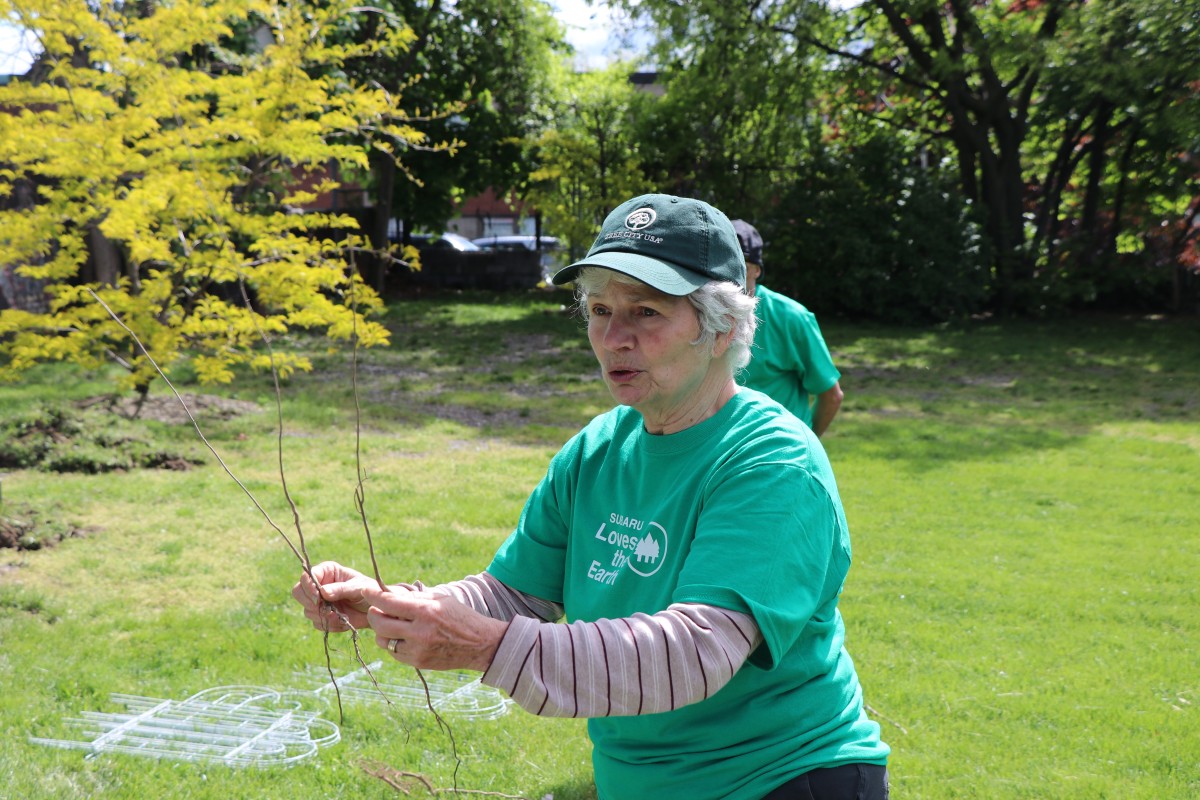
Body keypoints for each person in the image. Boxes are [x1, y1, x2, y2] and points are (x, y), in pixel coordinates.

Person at [292, 194, 889, 800]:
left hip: (781, 778)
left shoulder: (773, 461)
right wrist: (391, 605)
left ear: (722, 329)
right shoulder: (600, 446)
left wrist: (485, 647)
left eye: (647, 312)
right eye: (600, 308)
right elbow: (517, 592)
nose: (613, 336)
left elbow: (698, 651)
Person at [731, 219, 844, 437]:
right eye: (721, 262)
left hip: (779, 450)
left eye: (739, 264)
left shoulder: (791, 317)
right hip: (719, 454)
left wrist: (807, 444)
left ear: (757, 270)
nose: (729, 273)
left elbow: (831, 395)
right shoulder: (698, 314)